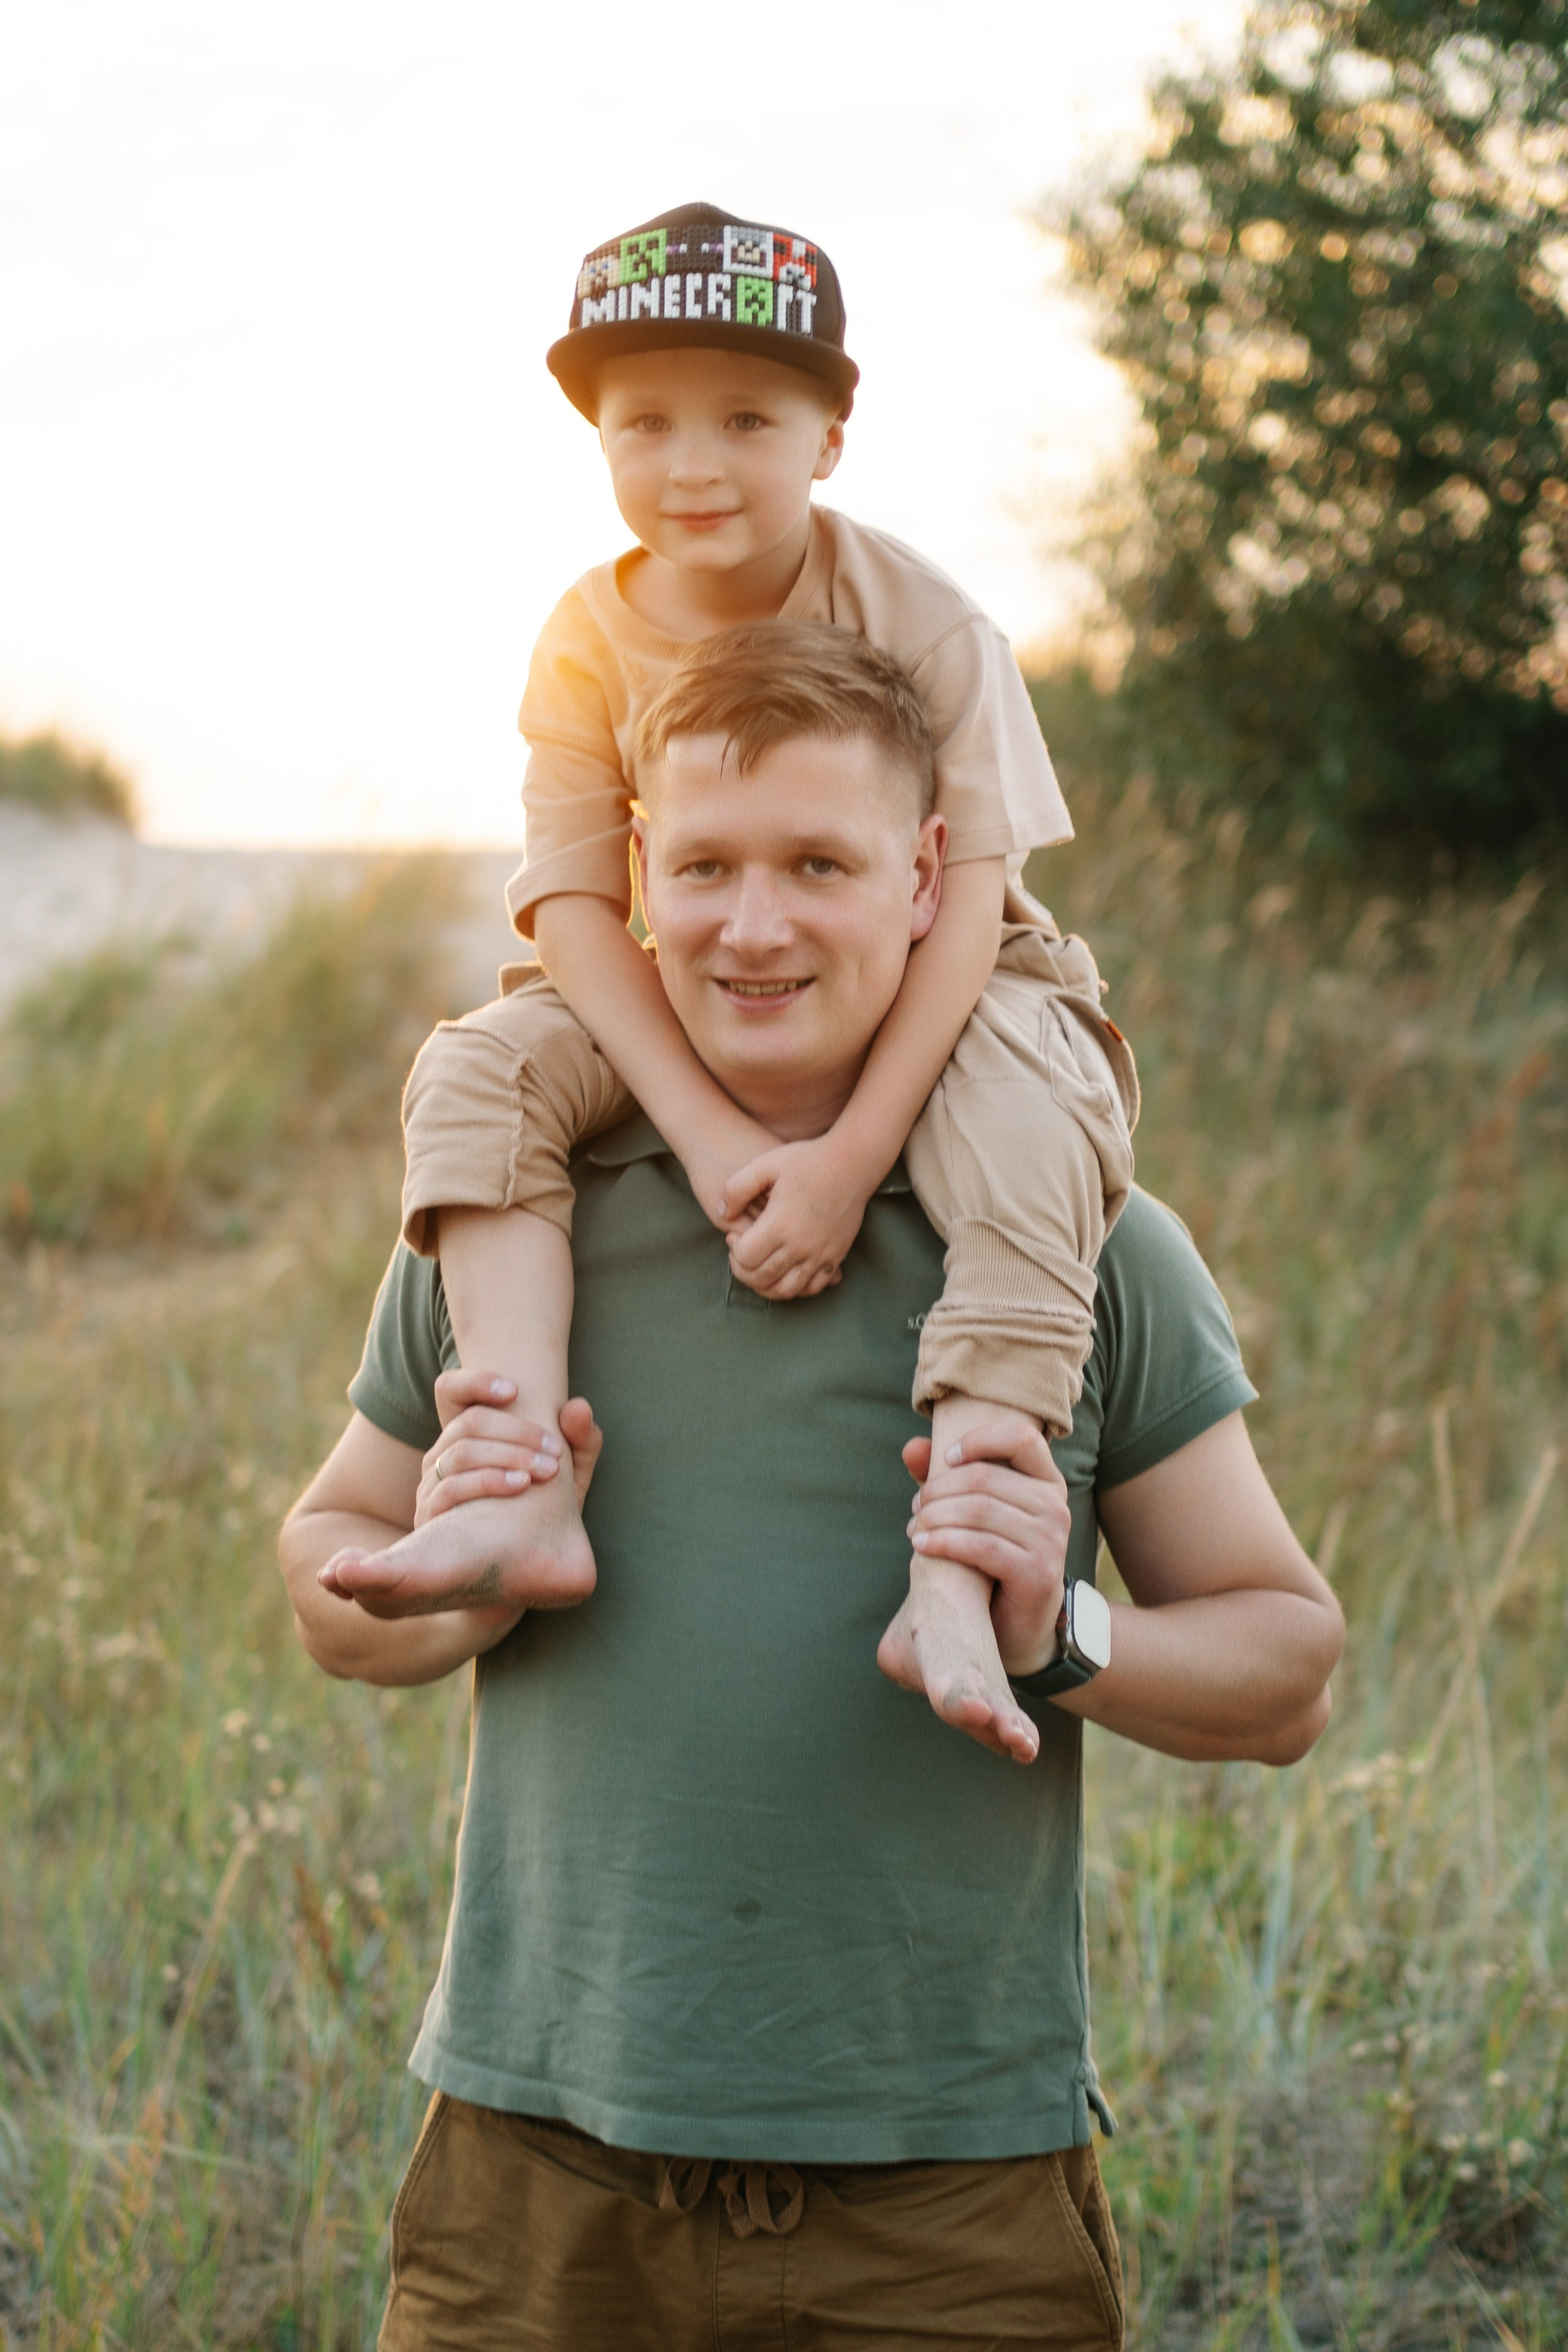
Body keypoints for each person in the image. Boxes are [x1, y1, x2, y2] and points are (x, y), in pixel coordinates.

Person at [280, 627, 1344, 2350]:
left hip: (947, 2200)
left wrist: (1060, 1631)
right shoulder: (515, 1232)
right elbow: (329, 1562)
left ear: (930, 880)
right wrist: (445, 1585)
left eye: (818, 865)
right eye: (702, 866)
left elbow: (1286, 1667)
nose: (752, 925)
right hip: (540, 2179)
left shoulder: (1081, 1245)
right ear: (634, 878)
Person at [385, 200, 1140, 1764]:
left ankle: (960, 1559)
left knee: (1029, 1119)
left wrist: (852, 1155)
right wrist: (720, 1145)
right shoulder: (583, 636)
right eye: (641, 421)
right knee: (478, 1067)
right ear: (593, 435)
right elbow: (581, 911)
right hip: (667, 971)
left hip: (943, 971)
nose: (692, 463)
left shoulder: (931, 624)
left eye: (746, 416)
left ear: (831, 435)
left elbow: (971, 901)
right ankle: (518, 1467)